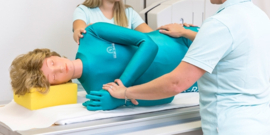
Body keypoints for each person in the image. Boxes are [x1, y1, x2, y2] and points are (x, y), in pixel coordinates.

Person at [102, 0, 270, 134]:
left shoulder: (219, 24)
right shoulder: (260, 17)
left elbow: (176, 83)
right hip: (261, 123)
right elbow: (231, 46)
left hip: (232, 127)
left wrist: (126, 93)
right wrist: (186, 33)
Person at [10, 22, 199, 110]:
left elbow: (149, 44)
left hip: (185, 41)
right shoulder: (97, 94)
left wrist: (122, 88)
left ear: (51, 54)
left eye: (52, 63)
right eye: (53, 76)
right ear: (56, 85)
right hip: (191, 81)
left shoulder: (92, 34)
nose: (60, 69)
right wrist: (122, 99)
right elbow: (167, 98)